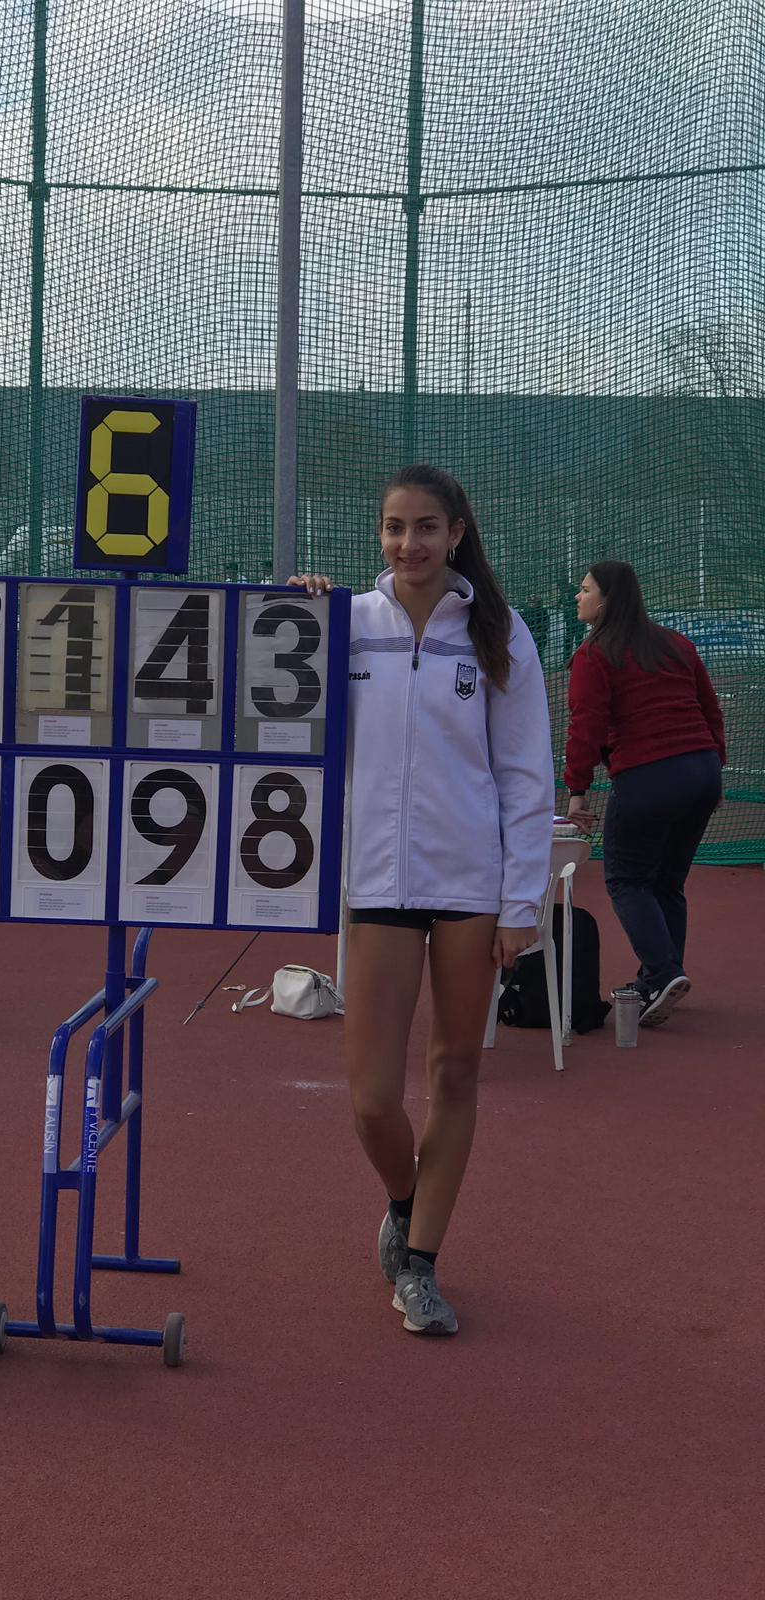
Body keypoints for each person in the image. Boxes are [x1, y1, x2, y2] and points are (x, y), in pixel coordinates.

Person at [291, 465, 554, 1338]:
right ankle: (405, 1204)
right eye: (395, 528)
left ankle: (424, 1267)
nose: (411, 544)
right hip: (376, 883)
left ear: (457, 532)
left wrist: (523, 904)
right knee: (371, 1099)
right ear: (379, 535)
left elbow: (524, 780)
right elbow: (275, 696)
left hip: (470, 888)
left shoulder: (501, 634)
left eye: (428, 527)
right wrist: (292, 612)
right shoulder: (347, 625)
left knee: (454, 1073)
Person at [564, 561, 725, 1027]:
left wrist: (577, 790)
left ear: (607, 600)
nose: (579, 596)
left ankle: (661, 972)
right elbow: (710, 711)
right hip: (700, 769)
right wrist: (711, 768)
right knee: (667, 882)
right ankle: (661, 976)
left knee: (625, 878)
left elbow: (585, 726)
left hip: (649, 776)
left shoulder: (595, 655)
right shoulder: (676, 644)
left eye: (585, 588)